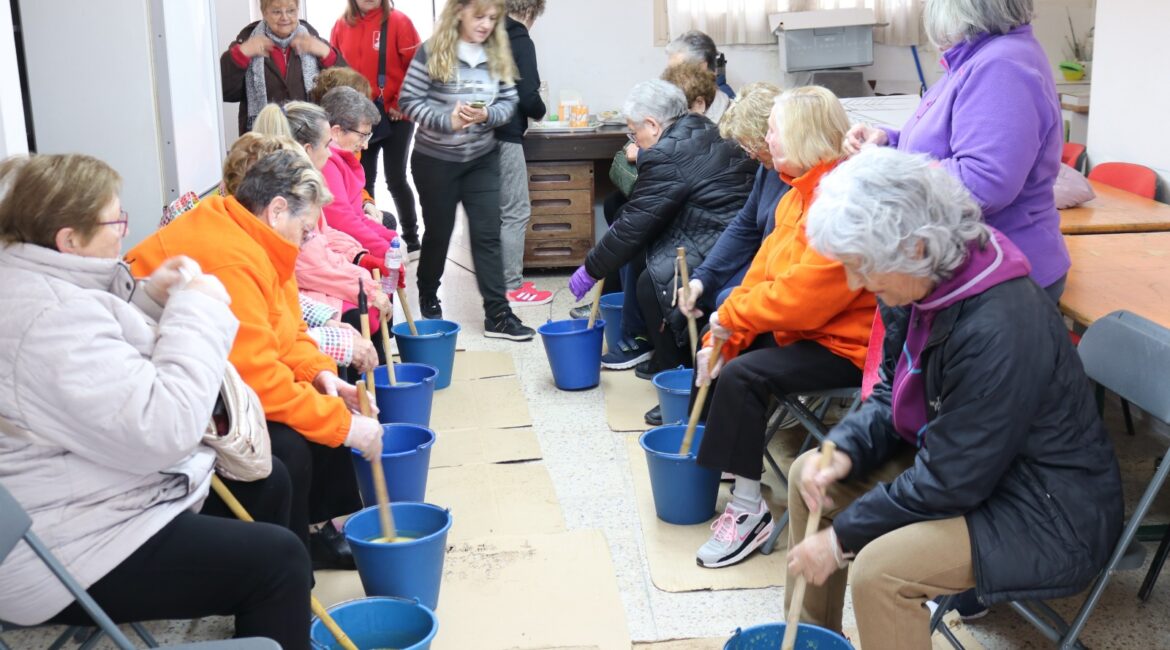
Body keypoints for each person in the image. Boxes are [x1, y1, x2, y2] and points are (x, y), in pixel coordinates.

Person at [785, 146, 1122, 649]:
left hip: (1047, 511)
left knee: (880, 572)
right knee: (810, 473)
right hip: (976, 471)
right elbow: (889, 395)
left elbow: (952, 481)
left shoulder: (1000, 323)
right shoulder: (921, 283)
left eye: (863, 266)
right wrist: (845, 448)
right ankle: (809, 641)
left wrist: (840, 541)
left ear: (917, 247)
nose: (857, 282)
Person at [0, 154, 311, 648]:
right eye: (115, 221)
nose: (125, 232)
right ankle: (274, 614)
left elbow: (101, 356)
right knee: (281, 561)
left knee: (271, 481)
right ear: (69, 239)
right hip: (67, 545)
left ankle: (269, 627)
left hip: (99, 494)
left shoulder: (39, 282)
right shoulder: (47, 319)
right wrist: (199, 309)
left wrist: (149, 300)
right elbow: (164, 430)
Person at [127, 143, 384, 571]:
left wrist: (323, 377)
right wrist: (346, 428)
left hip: (213, 377)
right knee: (289, 448)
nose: (309, 238)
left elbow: (287, 332)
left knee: (320, 406)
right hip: (165, 400)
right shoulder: (234, 257)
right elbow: (258, 380)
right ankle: (280, 569)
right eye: (306, 227)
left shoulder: (258, 238)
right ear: (277, 209)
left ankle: (313, 537)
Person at [692, 86, 876, 568]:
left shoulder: (843, 197)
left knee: (743, 375)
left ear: (801, 136)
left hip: (846, 346)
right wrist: (720, 338)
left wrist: (731, 322)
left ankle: (748, 511)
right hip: (811, 330)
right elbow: (763, 274)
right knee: (731, 358)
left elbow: (804, 300)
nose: (766, 139)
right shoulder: (796, 193)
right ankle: (740, 482)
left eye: (773, 130)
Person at [843, 0, 1068, 302]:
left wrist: (888, 169)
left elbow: (983, 183)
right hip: (974, 267)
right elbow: (938, 146)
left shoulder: (1001, 67)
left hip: (1001, 274)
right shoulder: (976, 59)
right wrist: (887, 141)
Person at [569, 79, 755, 378]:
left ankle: (673, 367)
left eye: (634, 131)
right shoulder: (697, 123)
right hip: (714, 224)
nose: (634, 139)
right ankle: (651, 345)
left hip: (721, 234)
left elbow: (633, 226)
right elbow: (641, 213)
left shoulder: (664, 154)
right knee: (638, 251)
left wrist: (590, 270)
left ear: (653, 125)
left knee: (654, 280)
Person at [399, 0, 536, 342]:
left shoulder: (497, 51)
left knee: (487, 235)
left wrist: (487, 115)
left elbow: (509, 101)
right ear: (459, 11)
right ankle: (429, 291)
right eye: (480, 16)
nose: (486, 24)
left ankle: (498, 315)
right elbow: (408, 101)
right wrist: (447, 121)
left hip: (481, 158)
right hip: (435, 160)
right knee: (439, 233)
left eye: (492, 18)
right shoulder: (432, 51)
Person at [676, 82, 788, 317]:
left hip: (780, 275)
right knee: (703, 292)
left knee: (723, 300)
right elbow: (744, 225)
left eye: (753, 144)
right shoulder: (768, 168)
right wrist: (701, 278)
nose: (749, 154)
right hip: (763, 263)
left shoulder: (794, 174)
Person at [330, 0, 424, 256]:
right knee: (362, 181)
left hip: (395, 116)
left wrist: (402, 104)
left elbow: (418, 68)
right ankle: (369, 240)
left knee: (395, 178)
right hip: (357, 121)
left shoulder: (399, 21)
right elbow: (334, 71)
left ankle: (412, 240)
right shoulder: (340, 25)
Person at [496, 0, 552, 307]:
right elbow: (528, 94)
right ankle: (512, 287)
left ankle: (499, 281)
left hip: (475, 135)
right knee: (515, 211)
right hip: (504, 135)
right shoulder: (518, 37)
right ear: (531, 11)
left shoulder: (486, 33)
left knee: (494, 212)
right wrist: (541, 111)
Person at [221, 0, 345, 133]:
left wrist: (326, 53)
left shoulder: (313, 41)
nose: (284, 17)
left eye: (291, 10)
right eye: (276, 11)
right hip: (264, 140)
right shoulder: (246, 43)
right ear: (264, 13)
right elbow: (225, 92)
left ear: (298, 10)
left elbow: (347, 89)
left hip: (309, 138)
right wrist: (241, 54)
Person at [665, 30, 732, 122]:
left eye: (678, 71)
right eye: (670, 71)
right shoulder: (668, 111)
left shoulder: (730, 122)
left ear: (703, 68)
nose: (670, 79)